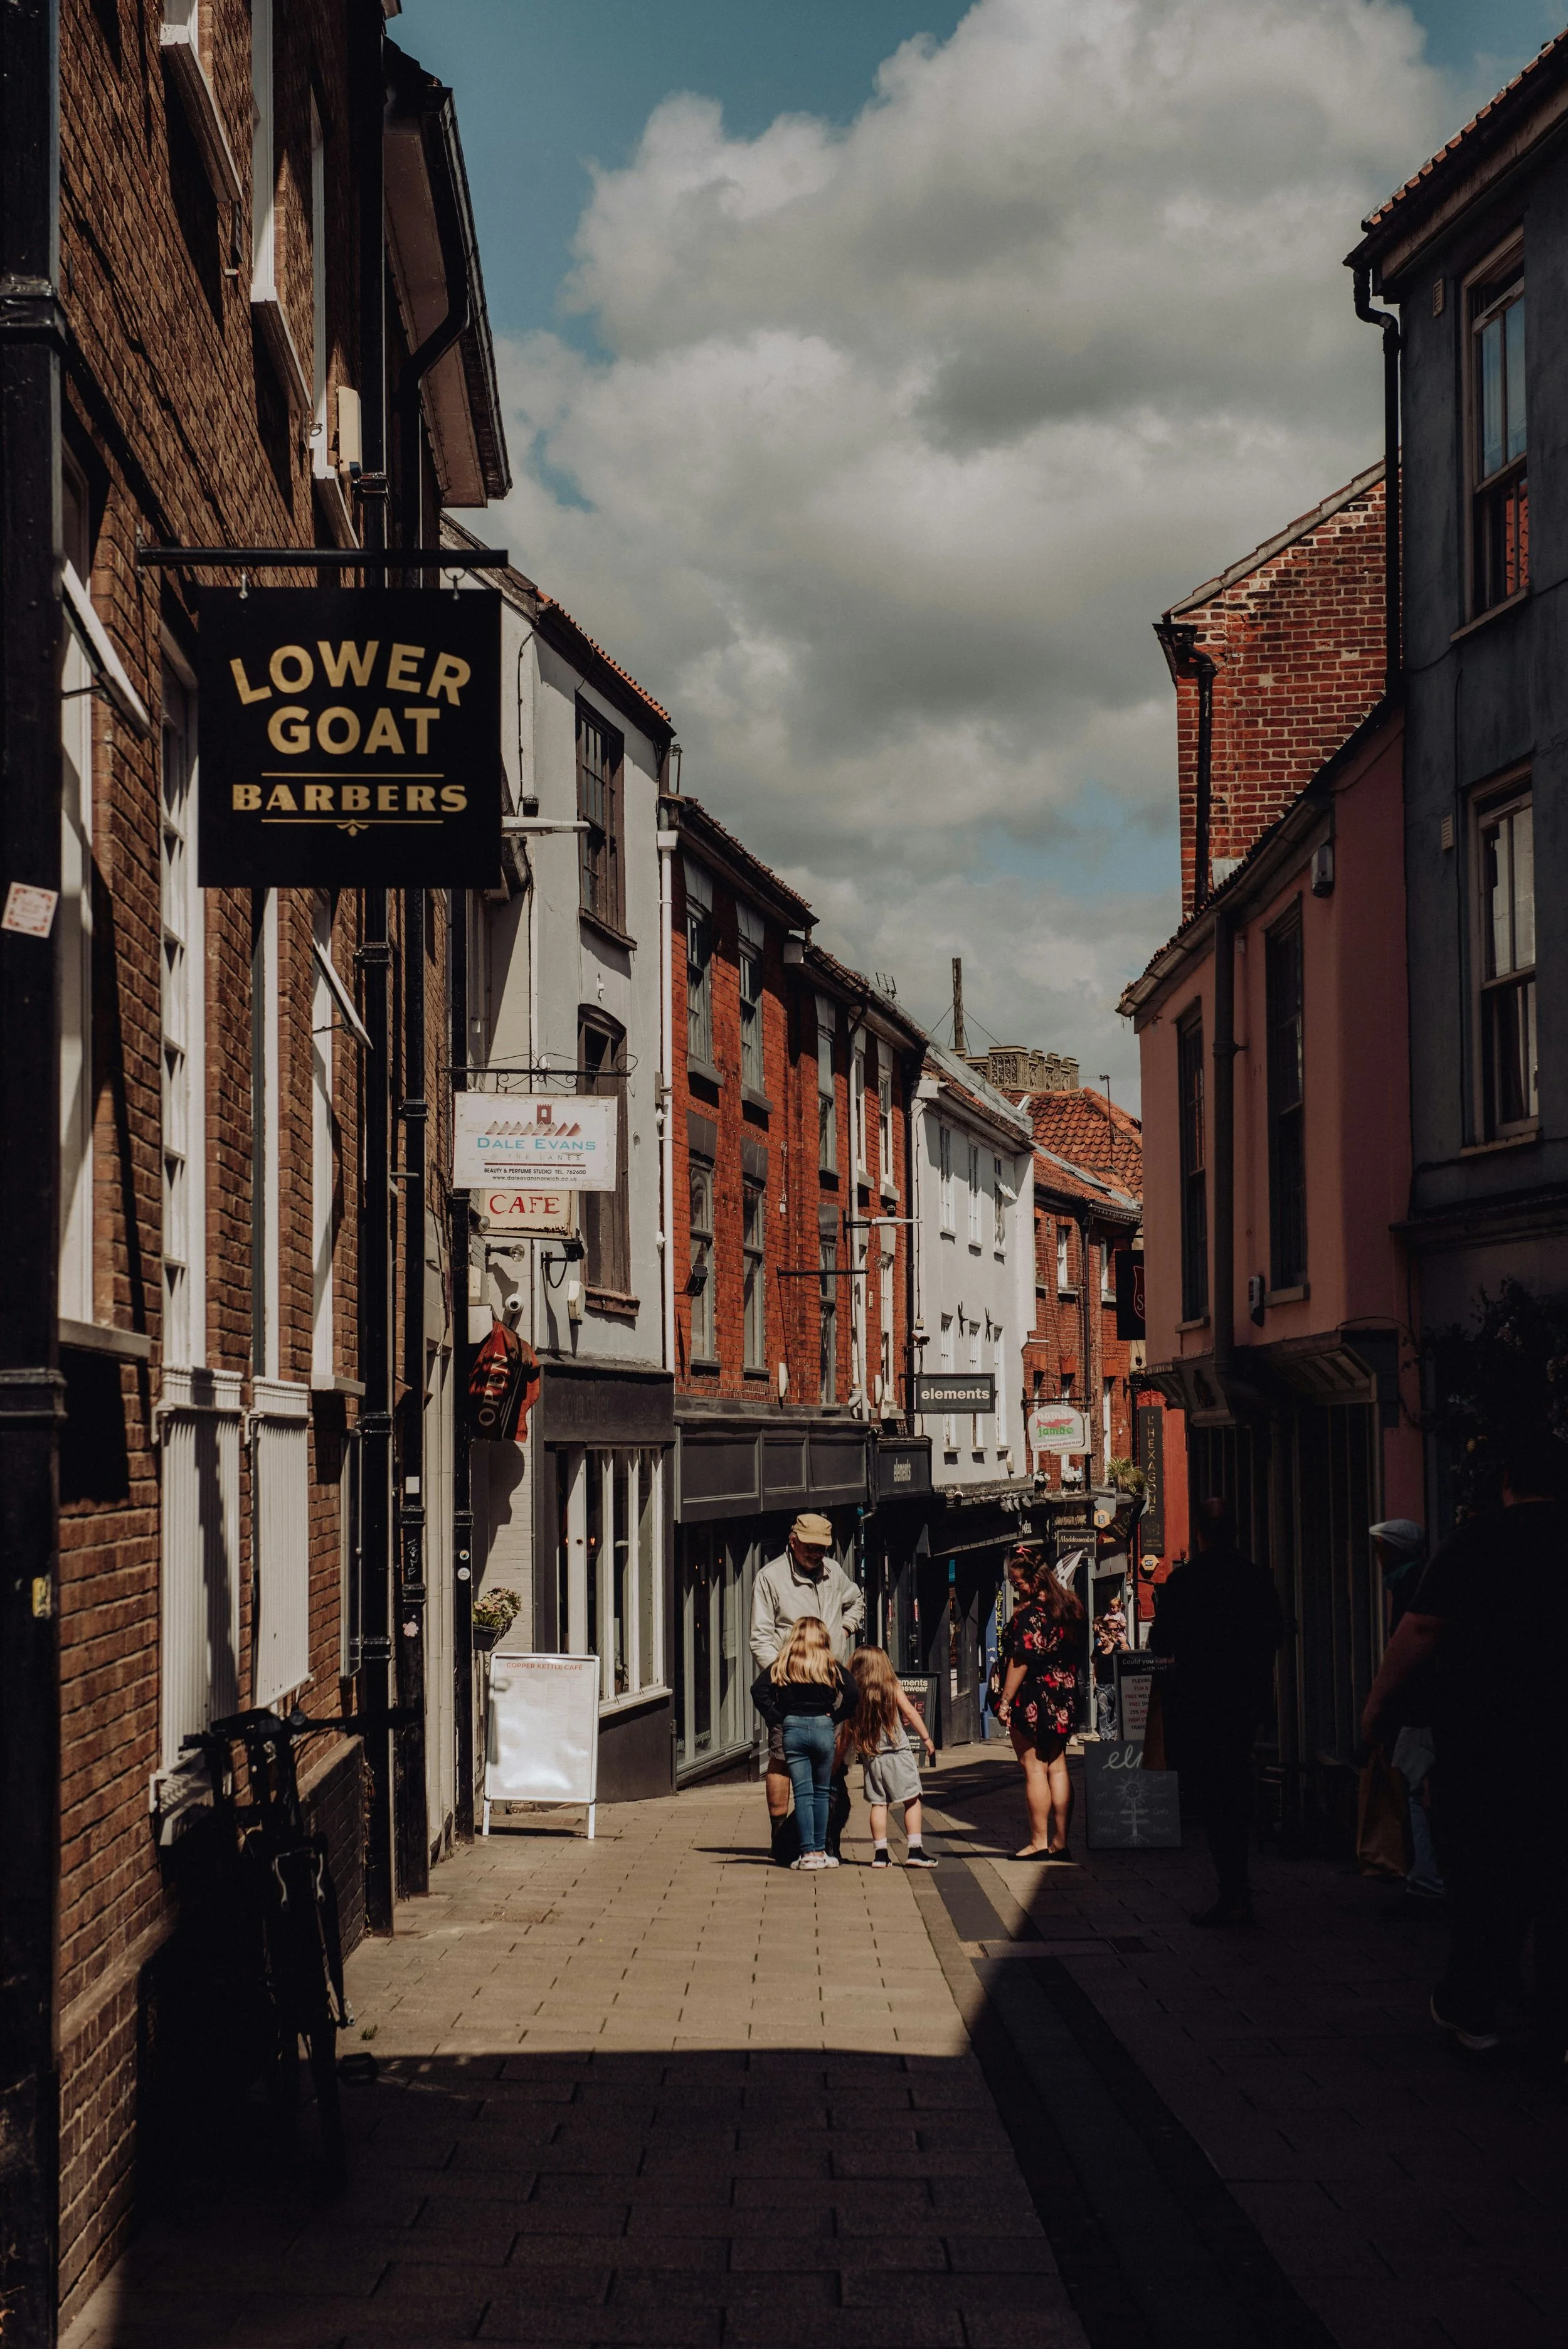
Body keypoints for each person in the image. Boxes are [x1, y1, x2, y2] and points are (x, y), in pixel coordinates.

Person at [1363, 1443, 1568, 2057]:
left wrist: (1377, 1705)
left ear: (1507, 1482)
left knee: (1486, 1884)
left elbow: (1421, 1627)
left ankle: (1471, 2007)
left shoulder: (1476, 1542)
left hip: (1487, 1739)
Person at [1152, 1497, 1283, 1926]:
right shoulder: (1258, 1580)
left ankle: (1233, 1890)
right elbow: (1277, 1635)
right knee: (1237, 1788)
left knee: (1215, 1800)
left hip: (1200, 1704)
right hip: (1244, 1701)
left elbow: (1160, 1644)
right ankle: (1238, 1887)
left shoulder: (1185, 1584)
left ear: (1201, 1535)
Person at [750, 1512, 866, 1865]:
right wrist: (784, 1677)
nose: (817, 1554)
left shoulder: (834, 1573)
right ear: (793, 1540)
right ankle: (780, 1837)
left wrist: (845, 1630)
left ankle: (823, 1840)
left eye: (822, 1548)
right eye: (811, 1547)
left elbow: (856, 1600)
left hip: (828, 1686)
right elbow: (761, 1637)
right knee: (782, 1760)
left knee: (829, 1765)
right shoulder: (770, 1578)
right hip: (791, 1689)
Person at [994, 1546, 1084, 1861]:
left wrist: (1005, 1701)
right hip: (1064, 1694)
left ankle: (1038, 1842)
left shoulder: (1031, 1615)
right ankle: (1061, 1842)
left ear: (1034, 1580)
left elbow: (1021, 1661)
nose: (1016, 1589)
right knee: (1058, 1766)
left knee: (1034, 1768)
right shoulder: (1071, 1606)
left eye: (1018, 1584)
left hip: (1033, 1697)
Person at [1369, 1519, 1443, 1901]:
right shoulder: (1412, 1581)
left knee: (1417, 1789)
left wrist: (1383, 1706)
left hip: (1420, 1709)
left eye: (1383, 1551)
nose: (1379, 1560)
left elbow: (1412, 1647)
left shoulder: (1411, 1585)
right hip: (1422, 1707)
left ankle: (1428, 1878)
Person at [750, 1617, 856, 1872]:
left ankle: (807, 1853)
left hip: (793, 1729)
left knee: (803, 1794)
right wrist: (837, 1716)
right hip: (823, 1728)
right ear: (823, 1639)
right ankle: (821, 1852)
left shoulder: (784, 1664)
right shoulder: (831, 1665)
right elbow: (853, 1693)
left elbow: (758, 1691)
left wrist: (778, 1717)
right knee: (822, 1792)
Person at [842, 1646, 938, 1868]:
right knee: (912, 1799)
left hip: (872, 1757)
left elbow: (846, 1729)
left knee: (879, 1803)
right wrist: (926, 1738)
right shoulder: (891, 1686)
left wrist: (838, 1758)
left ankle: (880, 1854)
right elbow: (911, 1712)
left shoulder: (855, 1692)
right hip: (898, 1752)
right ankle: (915, 1850)